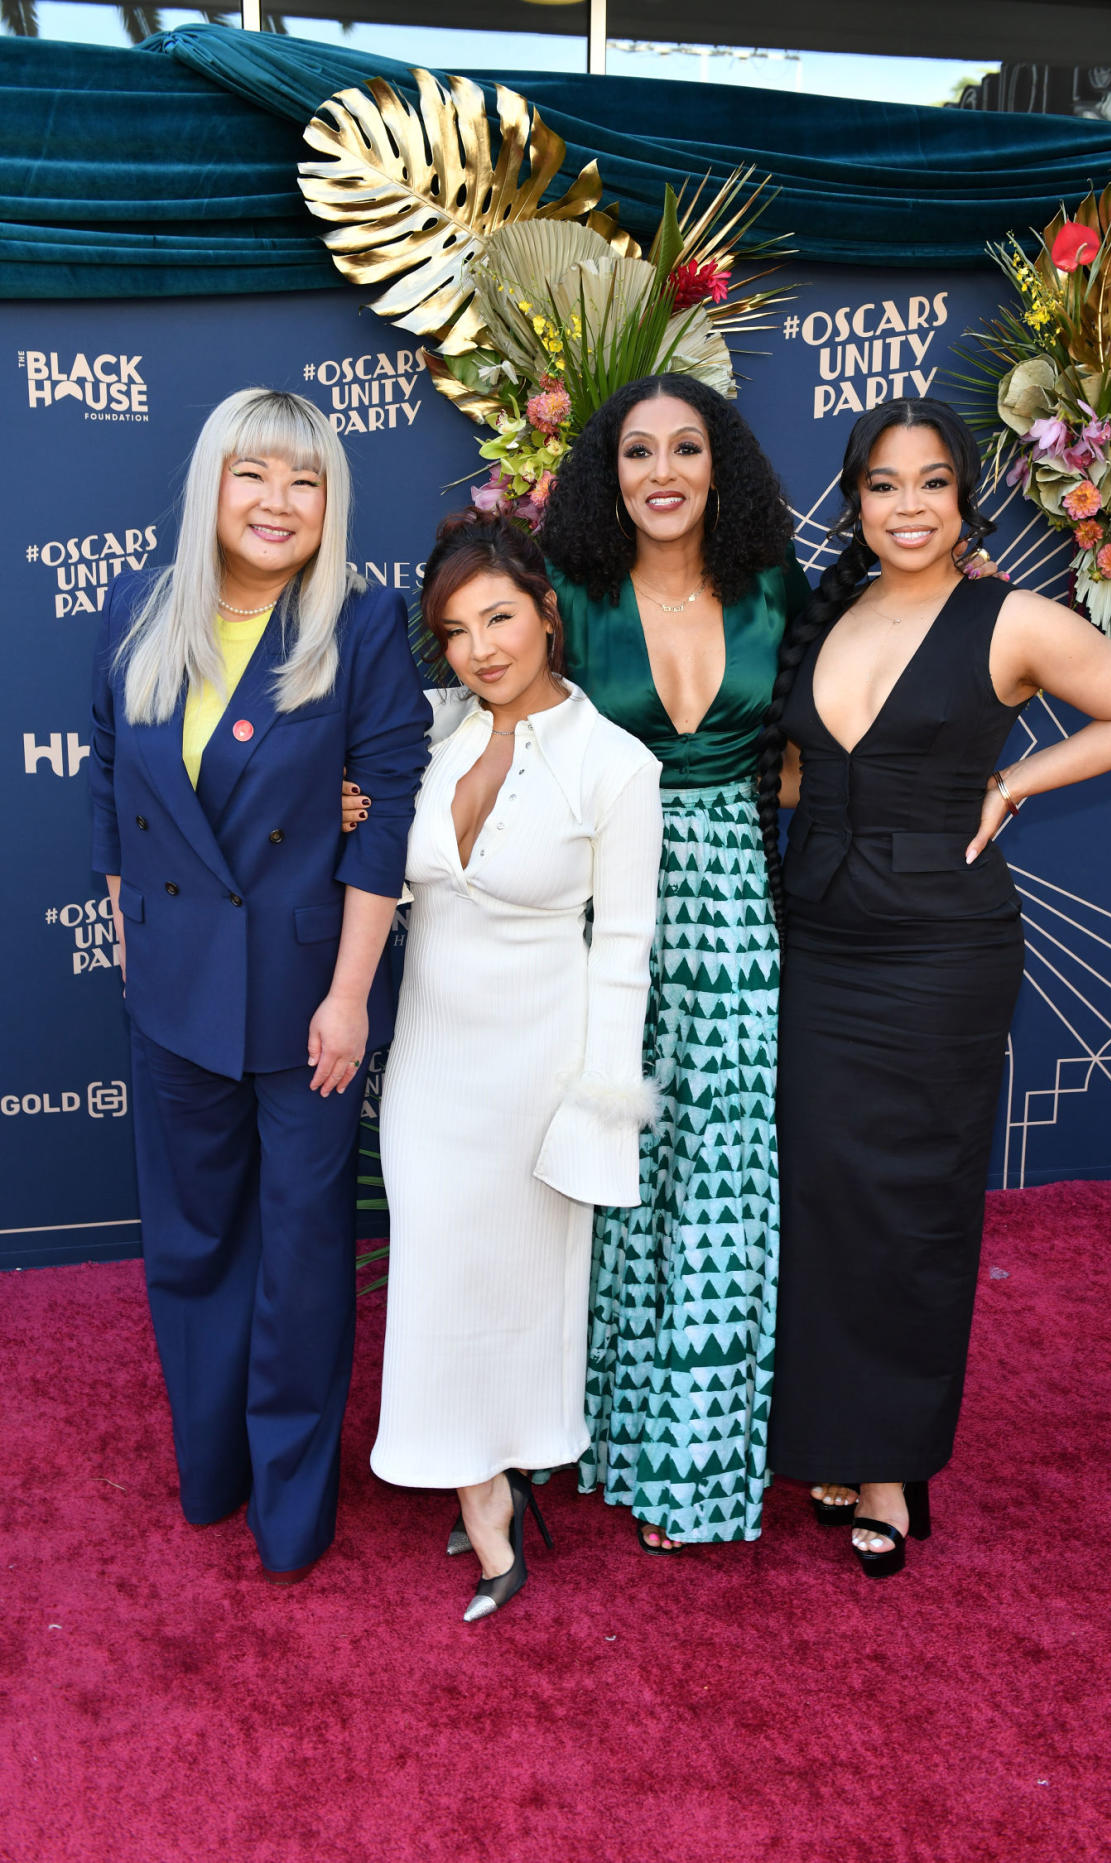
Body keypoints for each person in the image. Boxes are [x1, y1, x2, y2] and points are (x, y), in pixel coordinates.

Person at [758, 398, 1111, 1575]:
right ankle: (831, 1437)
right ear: (854, 500)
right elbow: (796, 777)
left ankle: (893, 1466)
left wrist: (1021, 782)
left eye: (931, 484)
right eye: (884, 486)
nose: (907, 508)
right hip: (820, 944)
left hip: (941, 957)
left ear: (963, 499)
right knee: (827, 1200)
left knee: (913, 1207)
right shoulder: (826, 615)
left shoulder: (1009, 620)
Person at [89, 387, 429, 1582]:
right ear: (211, 487)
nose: (279, 502)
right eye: (255, 475)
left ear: (331, 502)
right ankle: (212, 1470)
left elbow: (384, 813)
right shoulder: (141, 611)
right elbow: (108, 784)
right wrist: (133, 937)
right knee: (189, 1246)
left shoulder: (362, 622)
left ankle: (292, 1506)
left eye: (306, 480)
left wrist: (348, 996)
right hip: (174, 994)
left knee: (296, 1256)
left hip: (306, 1002)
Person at [368, 512, 663, 1620]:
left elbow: (624, 951)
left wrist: (598, 1109)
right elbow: (385, 881)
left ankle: (491, 1493)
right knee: (441, 1272)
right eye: (455, 631)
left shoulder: (617, 767)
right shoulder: (429, 742)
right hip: (433, 1069)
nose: (481, 648)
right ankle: (476, 1474)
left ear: (546, 611)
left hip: (541, 1071)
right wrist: (360, 813)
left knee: (525, 1291)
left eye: (499, 617)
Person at [535, 372, 811, 1550]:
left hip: (738, 909)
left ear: (721, 468)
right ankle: (591, 1433)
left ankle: (697, 1468)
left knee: (723, 1190)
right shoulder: (565, 596)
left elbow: (843, 722)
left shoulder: (777, 592)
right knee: (609, 1169)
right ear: (608, 476)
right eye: (637, 452)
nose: (661, 473)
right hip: (599, 915)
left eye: (685, 449)